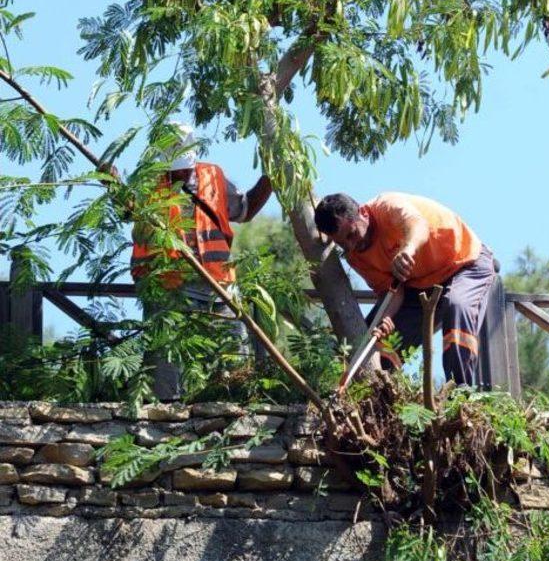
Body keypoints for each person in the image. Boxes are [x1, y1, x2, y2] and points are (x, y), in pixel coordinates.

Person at [131, 123, 272, 400]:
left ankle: (235, 406)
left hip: (218, 285)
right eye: (172, 169)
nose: (178, 174)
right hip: (168, 289)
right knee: (166, 361)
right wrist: (111, 185)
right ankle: (165, 413)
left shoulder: (213, 178)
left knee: (234, 353)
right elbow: (128, 209)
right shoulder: (148, 183)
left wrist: (272, 177)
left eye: (182, 168)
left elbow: (245, 210)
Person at [314, 192, 496, 387]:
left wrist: (408, 249)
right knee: (375, 344)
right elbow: (392, 291)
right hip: (420, 286)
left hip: (466, 263)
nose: (352, 245)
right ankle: (378, 398)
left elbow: (418, 226)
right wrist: (387, 318)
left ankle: (461, 392)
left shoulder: (388, 206)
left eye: (352, 234)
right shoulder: (355, 256)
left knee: (457, 305)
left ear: (362, 214)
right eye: (343, 244)